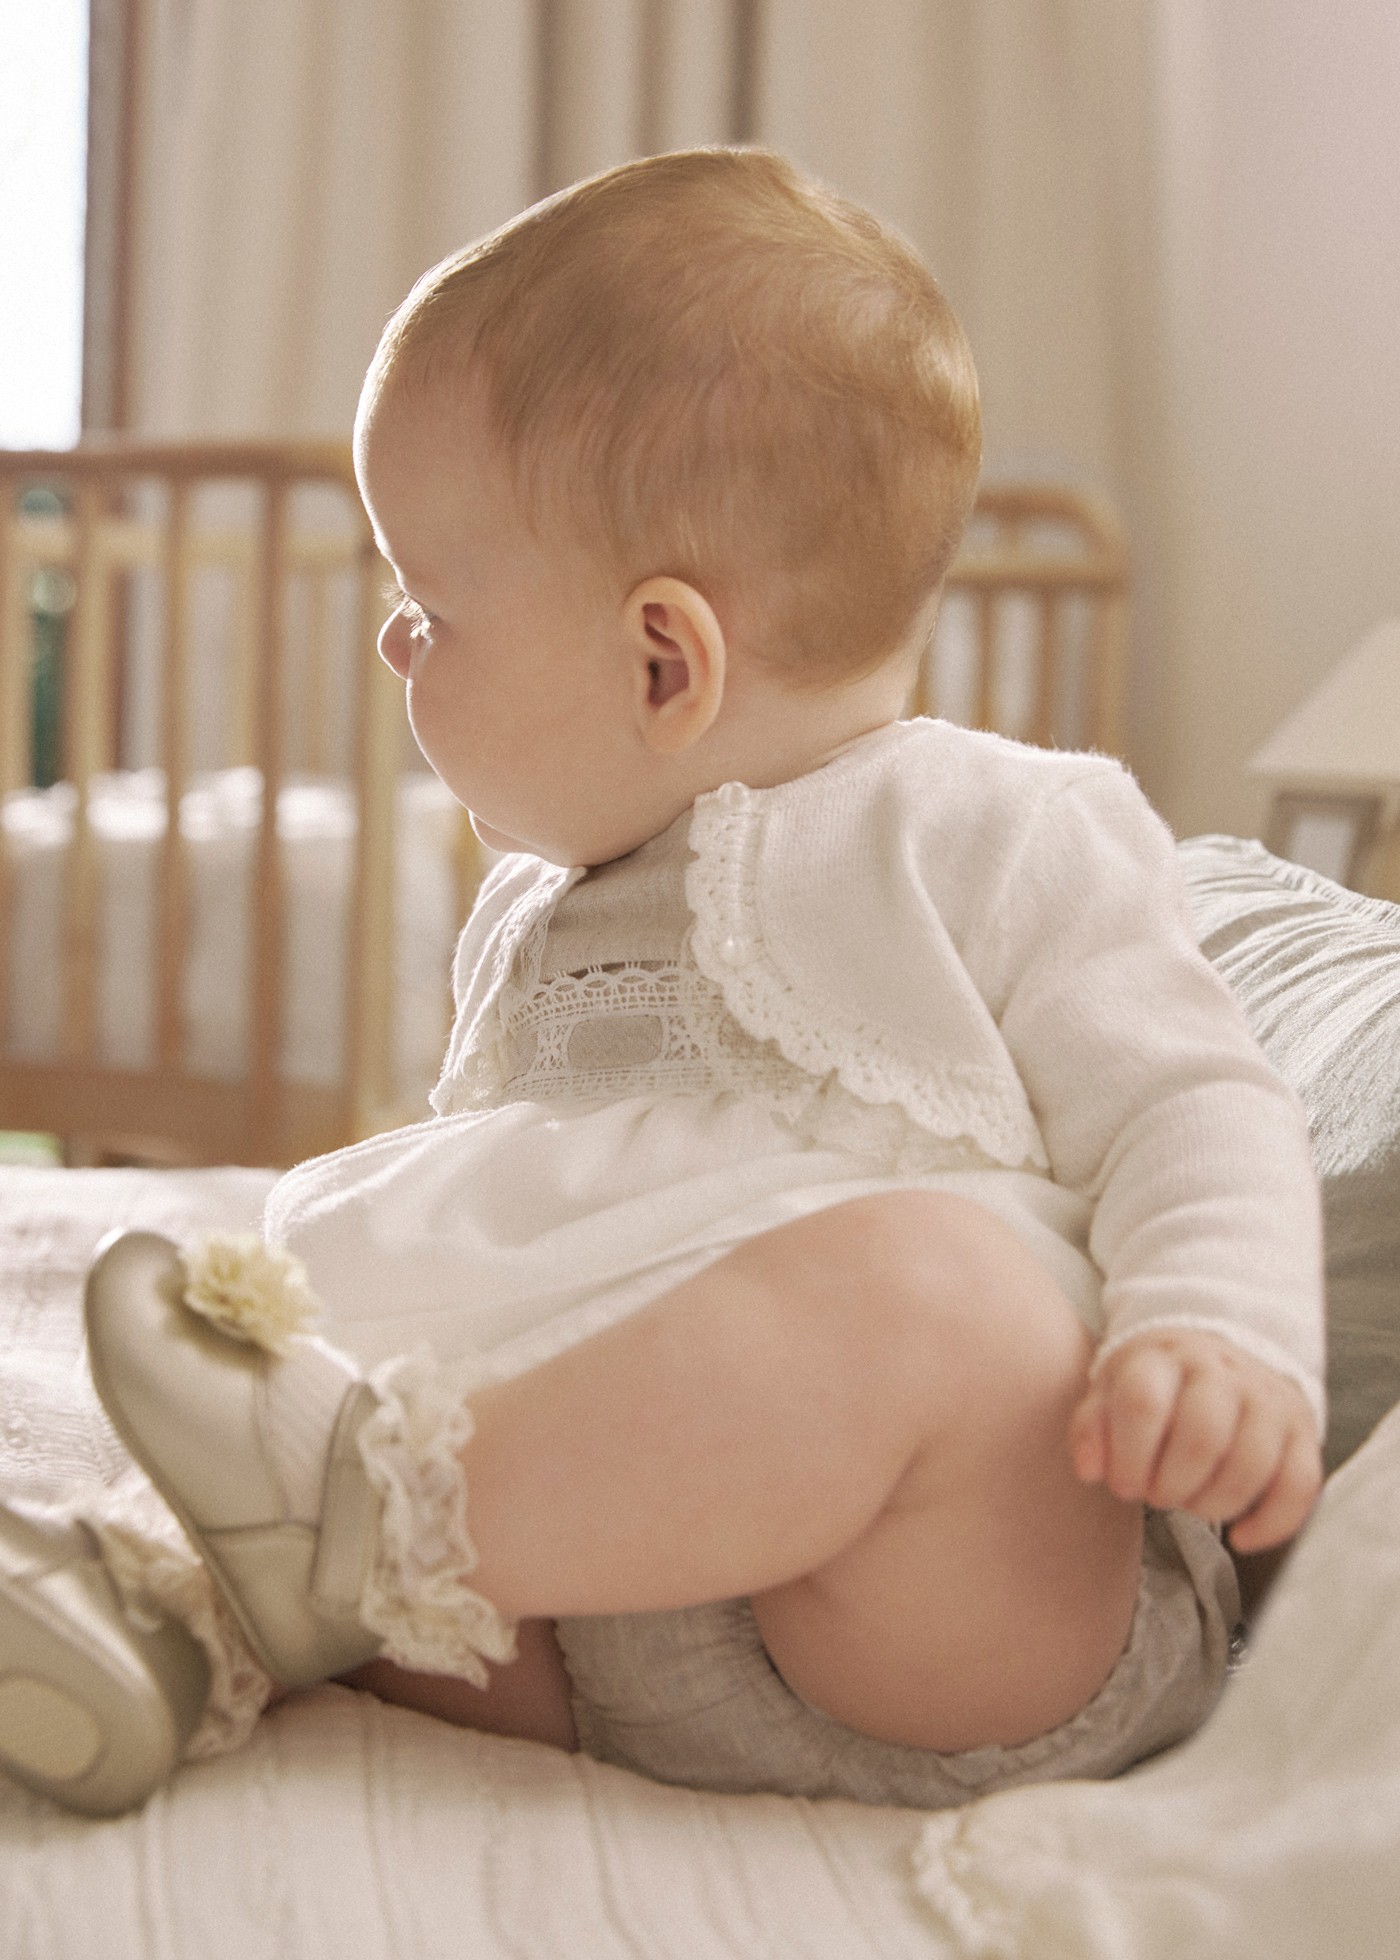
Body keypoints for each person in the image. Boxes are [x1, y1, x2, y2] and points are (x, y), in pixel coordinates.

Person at [1, 147, 1324, 1820]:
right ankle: (181, 1624)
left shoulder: (998, 826)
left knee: (941, 1304)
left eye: (431, 607)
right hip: (599, 1614)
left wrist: (1221, 1327)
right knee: (313, 1327)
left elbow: (1193, 1101)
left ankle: (364, 1528)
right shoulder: (536, 914)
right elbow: (520, 1231)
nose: (398, 647)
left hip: (957, 1608)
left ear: (661, 659)